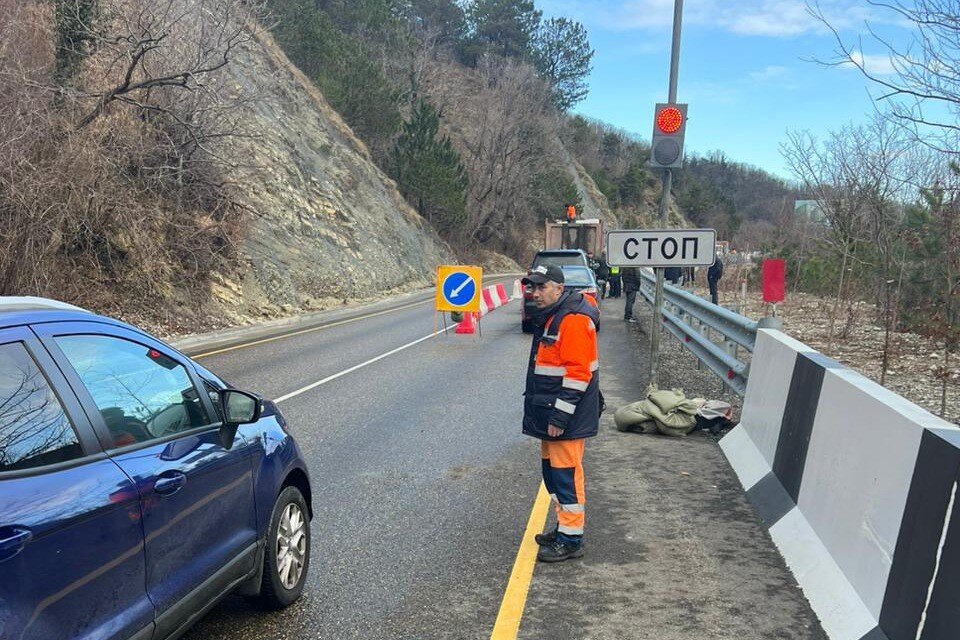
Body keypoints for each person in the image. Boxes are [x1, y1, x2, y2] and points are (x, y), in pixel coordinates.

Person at [521, 264, 601, 562]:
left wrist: (559, 418)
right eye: (532, 287)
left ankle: (571, 539)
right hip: (550, 413)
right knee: (553, 475)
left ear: (558, 287)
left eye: (541, 287)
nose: (535, 293)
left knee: (566, 476)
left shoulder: (574, 320)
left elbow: (579, 375)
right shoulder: (554, 315)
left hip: (564, 417)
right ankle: (564, 528)